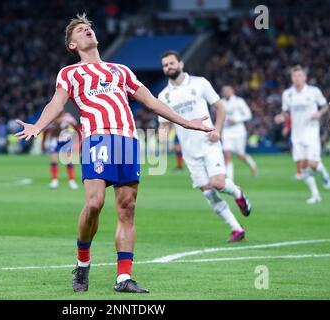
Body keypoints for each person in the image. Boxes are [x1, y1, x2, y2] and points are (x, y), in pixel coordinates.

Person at [14, 14, 213, 293]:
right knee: (94, 204)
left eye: (89, 28)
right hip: (97, 139)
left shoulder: (121, 70)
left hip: (128, 140)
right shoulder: (70, 73)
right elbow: (56, 103)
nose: (87, 31)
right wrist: (38, 125)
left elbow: (152, 102)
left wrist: (186, 121)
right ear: (72, 45)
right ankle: (83, 262)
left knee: (127, 208)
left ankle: (123, 278)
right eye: (81, 31)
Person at [157, 50, 252, 243]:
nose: (169, 67)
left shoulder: (200, 83)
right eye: (165, 65)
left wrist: (217, 130)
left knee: (218, 183)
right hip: (189, 152)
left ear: (181, 64)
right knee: (209, 193)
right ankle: (237, 229)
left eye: (171, 63)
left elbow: (221, 107)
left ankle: (237, 193)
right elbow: (164, 124)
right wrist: (162, 138)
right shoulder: (163, 96)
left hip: (209, 143)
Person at [275, 65, 329, 203]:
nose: (297, 79)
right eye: (295, 76)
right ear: (292, 78)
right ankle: (315, 195)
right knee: (302, 166)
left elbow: (325, 105)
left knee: (312, 163)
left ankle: (324, 174)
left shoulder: (313, 91)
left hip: (311, 132)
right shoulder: (287, 94)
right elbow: (286, 112)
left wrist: (319, 113)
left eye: (299, 76)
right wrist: (282, 117)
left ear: (305, 77)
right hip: (296, 134)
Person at [220, 85, 258, 180]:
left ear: (232, 91)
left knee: (240, 155)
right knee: (227, 154)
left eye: (228, 90)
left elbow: (248, 114)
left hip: (239, 131)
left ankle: (252, 165)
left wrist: (236, 120)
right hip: (227, 131)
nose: (226, 92)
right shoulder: (220, 103)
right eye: (224, 91)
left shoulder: (239, 101)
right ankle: (230, 179)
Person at [42, 112, 79, 189]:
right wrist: (43, 143)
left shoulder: (68, 118)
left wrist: (77, 140)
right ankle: (54, 181)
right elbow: (45, 131)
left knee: (69, 161)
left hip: (65, 140)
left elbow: (76, 128)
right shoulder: (50, 118)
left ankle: (71, 181)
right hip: (55, 140)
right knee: (54, 161)